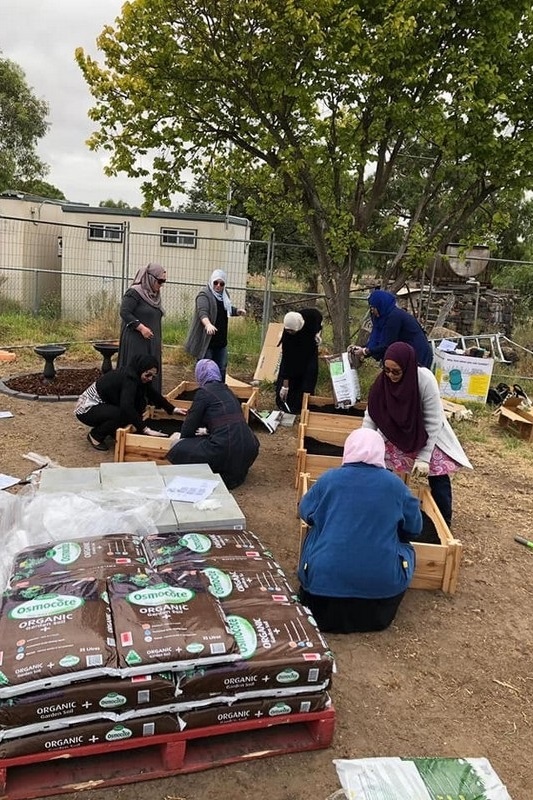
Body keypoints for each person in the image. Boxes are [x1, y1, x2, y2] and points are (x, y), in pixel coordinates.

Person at [298, 428, 423, 634]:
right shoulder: (396, 486)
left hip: (322, 599)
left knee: (316, 533)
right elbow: (414, 528)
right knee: (404, 546)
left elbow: (306, 512)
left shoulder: (330, 479)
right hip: (380, 602)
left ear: (348, 450)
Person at [362, 342, 472, 526]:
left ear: (407, 367)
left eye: (396, 371)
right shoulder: (382, 382)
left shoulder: (424, 379)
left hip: (425, 434)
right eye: (387, 370)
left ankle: (443, 521)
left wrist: (423, 458)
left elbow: (433, 420)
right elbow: (371, 414)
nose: (390, 375)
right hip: (396, 432)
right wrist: (364, 445)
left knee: (438, 474)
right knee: (379, 467)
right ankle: (379, 510)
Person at [166, 359, 260, 489]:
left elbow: (189, 426)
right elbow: (226, 421)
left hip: (225, 449)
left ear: (200, 374)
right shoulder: (228, 391)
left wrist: (182, 439)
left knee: (177, 446)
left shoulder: (203, 393)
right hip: (249, 447)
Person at [75, 354, 184, 451]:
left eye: (152, 376)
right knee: (123, 414)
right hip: (87, 409)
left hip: (102, 405)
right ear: (141, 369)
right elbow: (126, 407)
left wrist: (172, 409)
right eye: (148, 375)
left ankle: (112, 430)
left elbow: (152, 394)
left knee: (138, 406)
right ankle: (95, 436)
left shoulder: (137, 376)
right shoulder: (129, 379)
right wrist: (145, 429)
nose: (150, 378)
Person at [184, 269, 246, 382]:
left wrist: (237, 311)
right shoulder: (204, 295)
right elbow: (202, 312)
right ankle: (206, 393)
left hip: (221, 341)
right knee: (206, 370)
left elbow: (226, 309)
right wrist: (208, 325)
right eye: (215, 283)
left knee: (221, 369)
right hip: (207, 342)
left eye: (221, 284)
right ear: (211, 281)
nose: (218, 286)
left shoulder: (224, 295)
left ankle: (220, 392)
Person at [351, 289, 433, 368]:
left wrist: (365, 351)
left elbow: (387, 344)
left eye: (373, 308)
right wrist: (363, 348)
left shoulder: (394, 318)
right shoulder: (384, 318)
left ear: (381, 305)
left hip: (417, 353)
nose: (372, 311)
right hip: (404, 353)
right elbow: (378, 341)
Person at [117, 263, 167, 392]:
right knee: (138, 369)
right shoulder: (134, 292)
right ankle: (133, 400)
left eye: (164, 282)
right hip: (136, 340)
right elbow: (125, 312)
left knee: (151, 369)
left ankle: (150, 400)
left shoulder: (154, 296)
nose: (161, 285)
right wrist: (141, 328)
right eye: (160, 281)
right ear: (150, 278)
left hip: (151, 341)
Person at [276, 308, 323, 414]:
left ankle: (303, 405)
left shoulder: (312, 316)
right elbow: (287, 362)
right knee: (291, 379)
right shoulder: (288, 337)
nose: (289, 332)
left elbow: (320, 323)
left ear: (299, 326)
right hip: (293, 356)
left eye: (292, 331)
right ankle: (285, 404)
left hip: (309, 352)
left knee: (308, 377)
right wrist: (285, 386)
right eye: (287, 330)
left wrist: (318, 334)